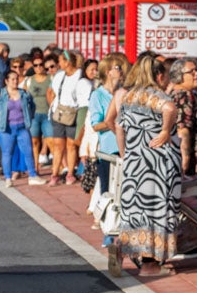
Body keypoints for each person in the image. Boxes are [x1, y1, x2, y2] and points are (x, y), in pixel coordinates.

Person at [113, 53, 181, 275]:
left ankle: (120, 249)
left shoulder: (129, 96)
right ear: (158, 75)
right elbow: (170, 108)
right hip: (157, 165)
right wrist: (164, 131)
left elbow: (119, 127)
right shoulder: (153, 96)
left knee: (135, 211)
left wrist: (126, 155)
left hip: (134, 163)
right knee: (155, 211)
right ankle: (150, 265)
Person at [0, 68, 35, 187]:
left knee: (28, 151)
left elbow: (32, 105)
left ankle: (33, 175)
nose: (15, 81)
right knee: (7, 153)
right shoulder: (0, 94)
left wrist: (30, 117)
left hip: (22, 127)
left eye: (17, 79)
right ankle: (8, 178)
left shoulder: (24, 94)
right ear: (6, 81)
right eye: (13, 79)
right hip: (6, 129)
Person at [88, 55, 126, 196]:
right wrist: (115, 123)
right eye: (118, 67)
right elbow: (96, 125)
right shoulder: (97, 95)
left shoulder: (124, 92)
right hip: (109, 149)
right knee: (108, 192)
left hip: (125, 147)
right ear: (108, 72)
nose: (121, 70)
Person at [47, 50, 85, 185]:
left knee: (71, 145)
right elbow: (51, 92)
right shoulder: (59, 75)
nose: (59, 63)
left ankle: (70, 173)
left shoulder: (80, 75)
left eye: (61, 61)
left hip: (72, 114)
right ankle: (55, 174)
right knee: (58, 145)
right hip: (59, 113)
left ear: (67, 62)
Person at [168, 57, 197, 177]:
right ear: (180, 76)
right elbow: (182, 130)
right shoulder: (184, 95)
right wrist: (185, 159)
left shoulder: (181, 94)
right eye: (192, 71)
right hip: (191, 163)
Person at [24, 53, 53, 172]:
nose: (39, 67)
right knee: (34, 142)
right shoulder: (29, 80)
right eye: (35, 65)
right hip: (34, 115)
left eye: (41, 65)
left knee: (51, 141)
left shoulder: (51, 78)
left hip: (48, 114)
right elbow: (25, 96)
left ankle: (58, 167)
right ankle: (35, 167)